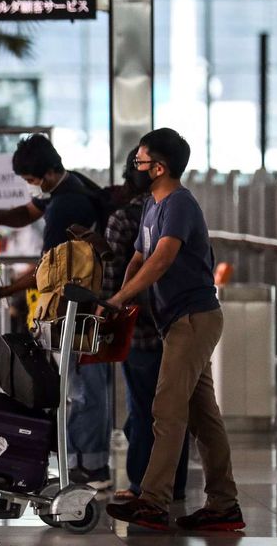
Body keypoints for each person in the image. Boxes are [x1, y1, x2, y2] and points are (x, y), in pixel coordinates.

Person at [104, 128, 245, 532]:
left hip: (193, 319)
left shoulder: (180, 205)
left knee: (166, 409)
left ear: (160, 167)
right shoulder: (152, 203)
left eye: (142, 160)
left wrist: (122, 297)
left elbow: (162, 259)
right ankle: (224, 505)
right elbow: (139, 256)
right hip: (177, 321)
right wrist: (123, 296)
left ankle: (152, 501)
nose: (136, 165)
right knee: (203, 417)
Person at [0, 134, 111, 488]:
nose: (29, 186)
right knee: (81, 386)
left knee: (83, 390)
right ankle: (85, 460)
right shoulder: (67, 186)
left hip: (78, 308)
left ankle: (91, 466)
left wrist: (5, 290)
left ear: (48, 174)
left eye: (31, 179)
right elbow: (29, 211)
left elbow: (48, 269)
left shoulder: (68, 205)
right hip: (81, 304)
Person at [104, 150, 190, 504]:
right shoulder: (158, 208)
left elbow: (144, 265)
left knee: (144, 407)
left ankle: (143, 484)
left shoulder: (130, 216)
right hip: (168, 319)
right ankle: (175, 483)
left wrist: (113, 304)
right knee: (172, 409)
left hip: (141, 325)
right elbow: (142, 259)